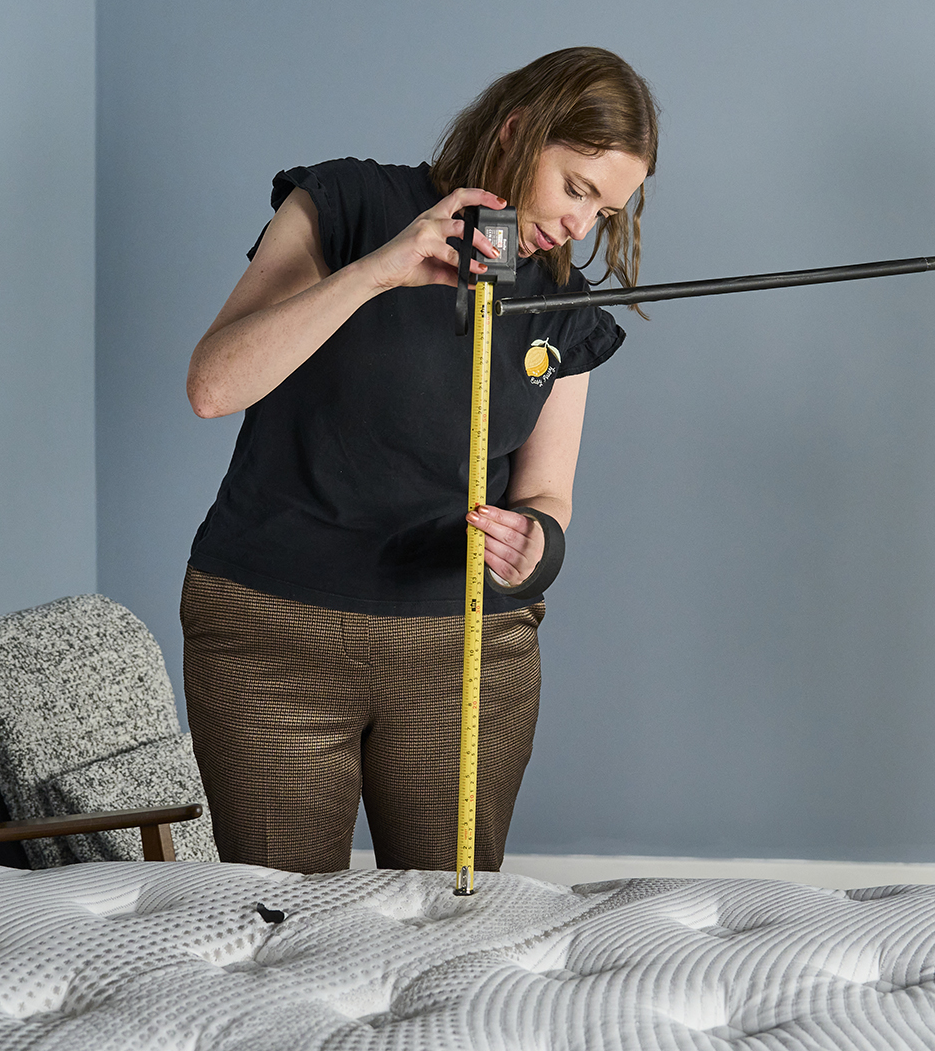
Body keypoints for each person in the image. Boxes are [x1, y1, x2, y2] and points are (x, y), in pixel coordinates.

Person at [179, 47, 658, 877]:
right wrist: (378, 272)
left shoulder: (561, 305)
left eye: (606, 210)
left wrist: (536, 543)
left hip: (466, 645)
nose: (583, 225)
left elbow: (548, 492)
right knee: (281, 931)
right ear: (517, 132)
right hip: (270, 636)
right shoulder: (347, 204)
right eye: (577, 188)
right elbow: (213, 386)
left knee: (449, 934)